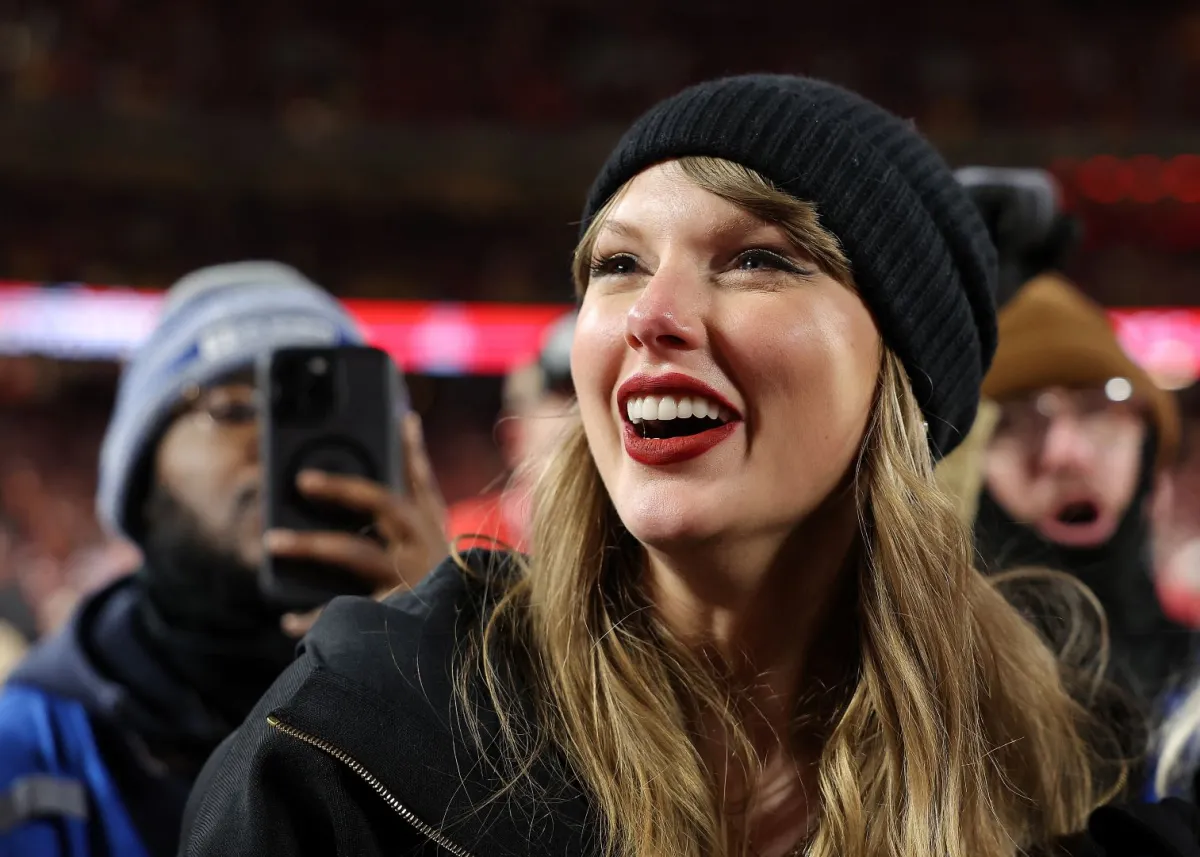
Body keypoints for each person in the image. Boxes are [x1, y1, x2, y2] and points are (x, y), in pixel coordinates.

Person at [181, 77, 1198, 857]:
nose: (652, 317)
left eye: (756, 257)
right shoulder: (357, 744)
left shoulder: (1064, 755)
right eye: (617, 264)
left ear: (906, 373)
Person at [0, 262, 447, 857]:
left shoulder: (487, 707)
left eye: (322, 414)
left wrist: (443, 666)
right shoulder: (30, 746)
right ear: (141, 478)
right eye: (235, 408)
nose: (277, 442)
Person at [973, 274, 1191, 708]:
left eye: (1100, 409)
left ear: (1147, 454)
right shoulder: (919, 686)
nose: (1062, 453)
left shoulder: (1192, 687)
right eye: (1013, 422)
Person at [445, 311, 576, 550]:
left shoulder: (639, 552)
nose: (583, 416)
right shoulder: (460, 540)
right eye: (568, 396)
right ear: (515, 437)